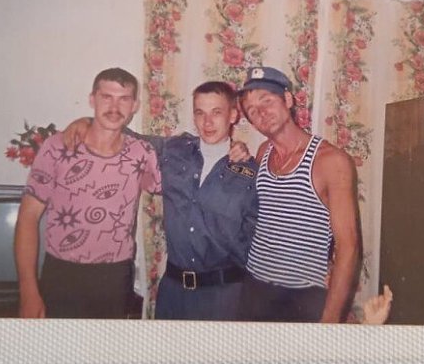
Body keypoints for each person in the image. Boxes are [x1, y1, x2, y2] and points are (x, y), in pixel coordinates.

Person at [63, 81, 258, 321]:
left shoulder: (252, 173)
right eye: (200, 113)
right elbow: (128, 136)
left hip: (224, 296)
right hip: (173, 293)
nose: (207, 122)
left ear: (233, 115)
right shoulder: (173, 150)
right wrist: (86, 121)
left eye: (216, 112)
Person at [237, 66, 392, 324]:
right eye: (252, 110)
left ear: (288, 100)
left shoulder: (330, 161)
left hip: (302, 296)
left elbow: (349, 246)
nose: (261, 112)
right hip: (254, 289)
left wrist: (330, 320)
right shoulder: (263, 152)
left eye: (267, 101)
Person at [14, 68, 161, 319]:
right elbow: (28, 218)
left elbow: (172, 178)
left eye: (124, 99)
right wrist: (28, 290)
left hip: (115, 277)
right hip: (62, 273)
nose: (114, 107)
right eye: (106, 97)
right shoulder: (58, 147)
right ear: (92, 99)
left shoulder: (143, 153)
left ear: (135, 106)